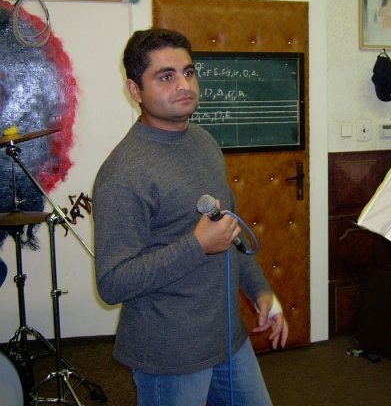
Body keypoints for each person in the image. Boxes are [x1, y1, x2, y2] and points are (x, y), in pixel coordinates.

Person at [93, 28, 288, 406]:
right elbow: (113, 283)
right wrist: (197, 245)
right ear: (135, 90)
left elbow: (229, 229)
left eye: (188, 72)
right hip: (170, 353)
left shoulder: (203, 142)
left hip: (227, 338)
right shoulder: (123, 174)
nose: (184, 85)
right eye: (165, 77)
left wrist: (260, 290)